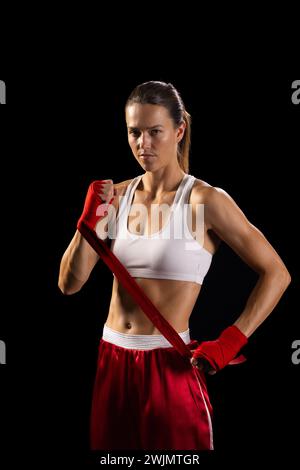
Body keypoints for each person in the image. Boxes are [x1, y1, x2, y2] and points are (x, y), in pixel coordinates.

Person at [58, 81, 291, 451]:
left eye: (155, 132)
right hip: (111, 359)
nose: (142, 144)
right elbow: (69, 285)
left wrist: (232, 340)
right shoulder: (116, 196)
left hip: (167, 366)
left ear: (179, 130)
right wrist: (88, 222)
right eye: (134, 132)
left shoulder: (205, 201)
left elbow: (277, 273)